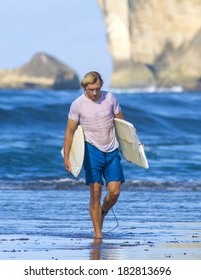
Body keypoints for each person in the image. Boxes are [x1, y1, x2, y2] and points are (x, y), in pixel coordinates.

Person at [63, 71, 125, 238]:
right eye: (91, 89)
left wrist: (130, 150)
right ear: (85, 87)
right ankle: (98, 234)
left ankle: (103, 211)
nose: (95, 92)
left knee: (114, 192)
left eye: (97, 88)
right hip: (91, 150)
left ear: (101, 85)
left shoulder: (110, 98)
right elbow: (70, 132)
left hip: (112, 149)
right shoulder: (78, 104)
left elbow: (122, 125)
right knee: (96, 190)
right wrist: (67, 156)